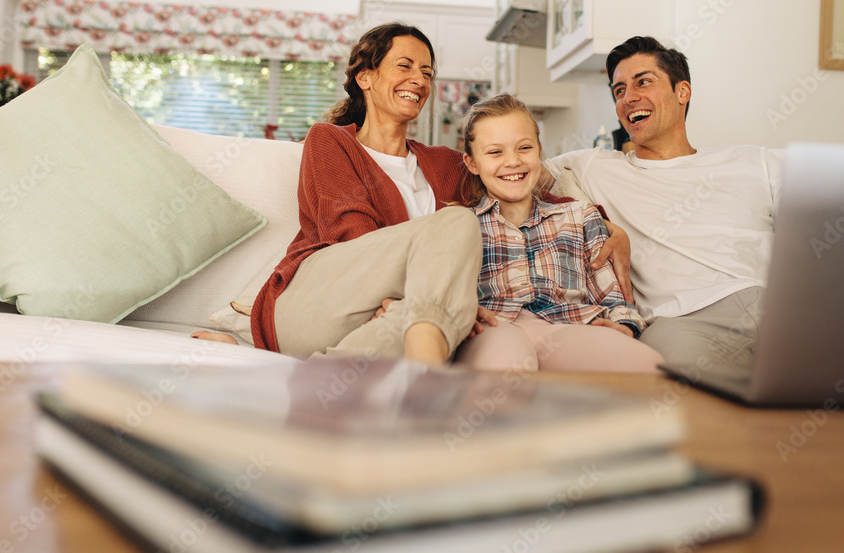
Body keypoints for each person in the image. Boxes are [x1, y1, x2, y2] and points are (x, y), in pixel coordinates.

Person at [193, 23, 633, 365]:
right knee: (456, 226)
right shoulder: (330, 141)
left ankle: (330, 384)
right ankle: (419, 371)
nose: (419, 79)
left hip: (396, 317)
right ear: (365, 77)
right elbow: (352, 236)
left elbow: (529, 177)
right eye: (404, 66)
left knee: (443, 322)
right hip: (320, 304)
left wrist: (602, 222)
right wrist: (422, 296)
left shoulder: (444, 163)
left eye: (427, 71)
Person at [549, 36, 784, 372]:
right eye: (619, 90)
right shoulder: (594, 166)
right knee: (682, 390)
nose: (629, 98)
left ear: (682, 92)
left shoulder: (753, 160)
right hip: (683, 321)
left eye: (643, 81)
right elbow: (508, 169)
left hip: (772, 307)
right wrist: (598, 218)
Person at [453, 93, 663, 373]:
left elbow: (613, 296)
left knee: (650, 367)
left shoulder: (580, 217)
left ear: (539, 150)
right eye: (495, 152)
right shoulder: (461, 225)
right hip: (495, 326)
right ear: (472, 163)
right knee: (508, 366)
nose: (512, 161)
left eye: (524, 148)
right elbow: (443, 293)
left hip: (568, 324)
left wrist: (624, 325)